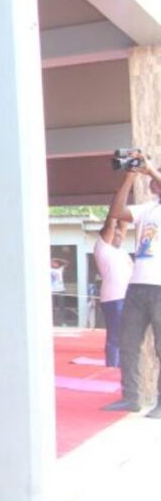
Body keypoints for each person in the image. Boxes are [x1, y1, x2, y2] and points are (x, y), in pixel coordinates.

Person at [102, 152, 161, 417]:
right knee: (127, 342)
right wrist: (128, 179)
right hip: (137, 286)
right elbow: (116, 213)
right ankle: (131, 397)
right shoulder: (147, 209)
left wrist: (151, 170)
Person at [93, 216, 132, 368]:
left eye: (120, 234)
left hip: (128, 297)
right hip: (114, 298)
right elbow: (111, 223)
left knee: (127, 335)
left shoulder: (122, 251)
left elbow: (124, 225)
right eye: (115, 234)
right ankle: (112, 368)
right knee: (115, 336)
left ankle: (122, 365)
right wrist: (121, 192)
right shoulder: (103, 248)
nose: (119, 236)